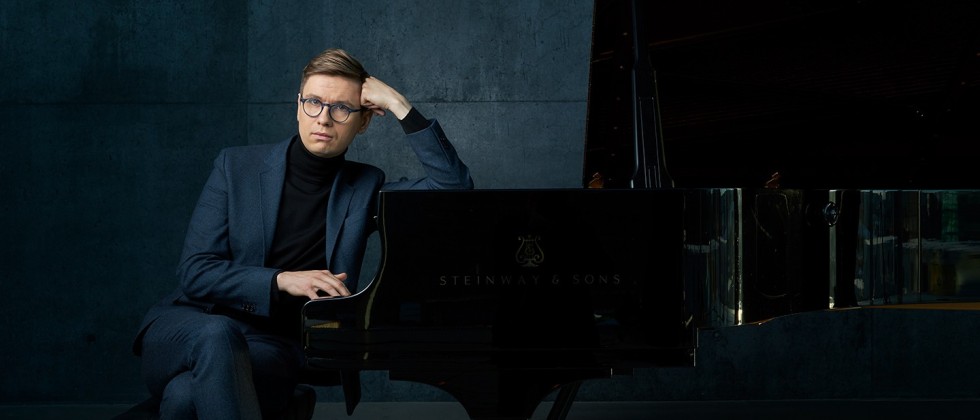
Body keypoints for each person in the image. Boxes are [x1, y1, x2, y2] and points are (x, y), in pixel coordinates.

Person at [128, 48, 473, 419]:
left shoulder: (365, 187)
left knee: (183, 398)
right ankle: (289, 405)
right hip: (189, 326)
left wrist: (399, 104)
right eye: (313, 102)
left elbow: (453, 190)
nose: (323, 118)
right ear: (297, 106)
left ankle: (288, 401)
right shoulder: (236, 166)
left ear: (363, 123)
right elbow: (195, 271)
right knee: (218, 335)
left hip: (272, 344)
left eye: (341, 108)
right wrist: (282, 280)